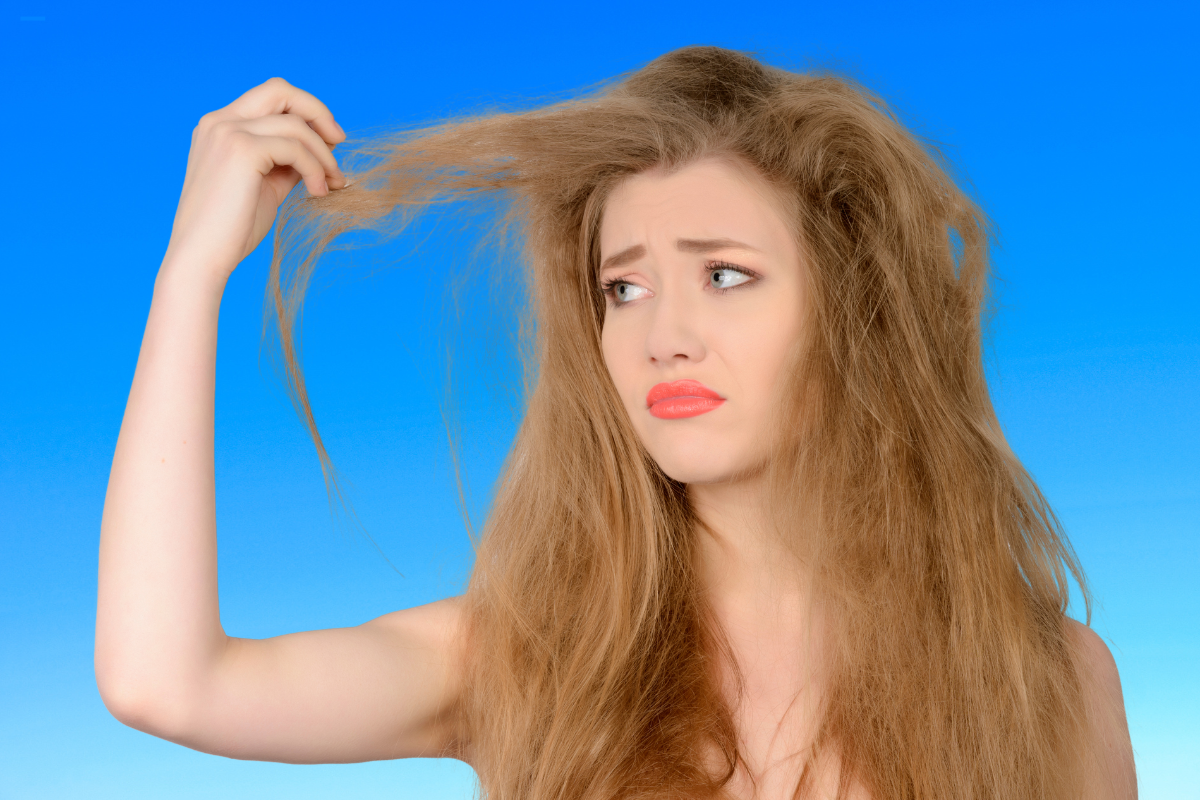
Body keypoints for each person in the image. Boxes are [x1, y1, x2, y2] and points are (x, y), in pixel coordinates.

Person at [95, 47, 1136, 799]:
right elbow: (166, 680)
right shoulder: (530, 659)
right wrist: (190, 272)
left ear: (852, 312)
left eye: (725, 274)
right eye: (624, 289)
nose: (662, 336)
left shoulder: (1049, 678)